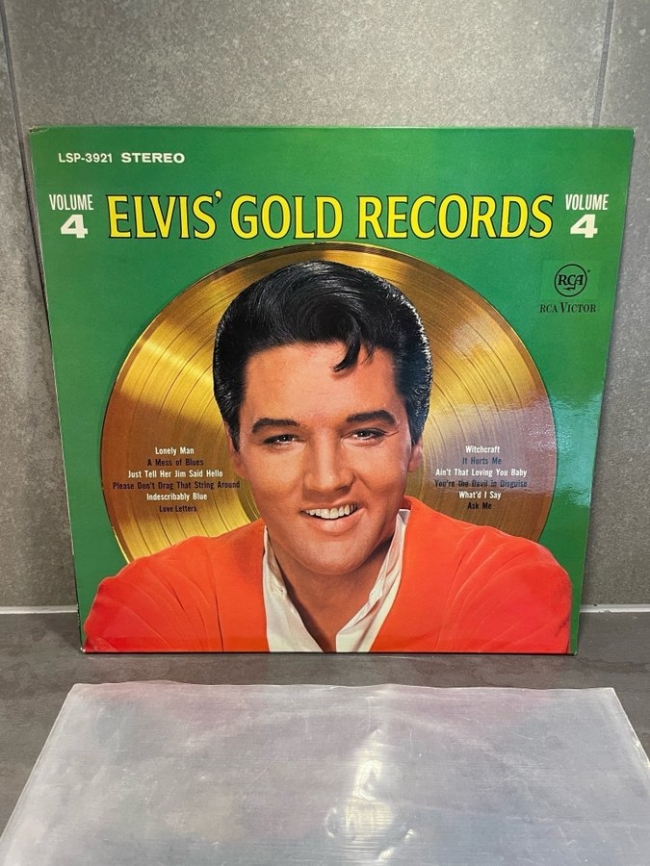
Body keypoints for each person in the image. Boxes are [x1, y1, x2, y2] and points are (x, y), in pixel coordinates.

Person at [84, 261, 571, 653]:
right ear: (236, 450)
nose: (325, 480)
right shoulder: (152, 600)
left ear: (415, 441)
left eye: (364, 433)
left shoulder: (507, 584)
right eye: (282, 438)